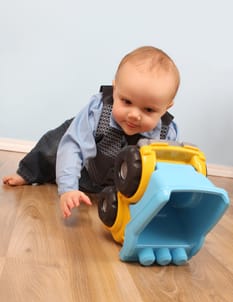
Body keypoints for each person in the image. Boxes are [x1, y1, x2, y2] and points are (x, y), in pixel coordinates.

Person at [3, 46, 180, 218]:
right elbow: (73, 147)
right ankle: (29, 172)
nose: (134, 115)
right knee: (61, 141)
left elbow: (166, 174)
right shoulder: (97, 110)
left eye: (148, 110)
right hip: (86, 172)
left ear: (166, 108)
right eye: (126, 101)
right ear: (115, 88)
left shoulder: (166, 134)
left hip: (120, 188)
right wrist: (68, 189)